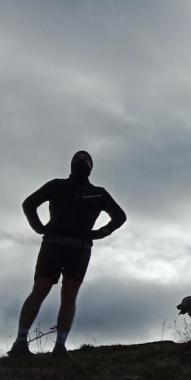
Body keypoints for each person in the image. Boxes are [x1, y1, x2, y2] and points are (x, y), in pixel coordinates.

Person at [9, 151, 126, 358]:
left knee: (65, 295)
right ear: (73, 165)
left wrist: (100, 233)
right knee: (43, 291)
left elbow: (120, 217)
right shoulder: (58, 186)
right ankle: (23, 343)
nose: (81, 163)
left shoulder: (97, 193)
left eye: (85, 161)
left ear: (90, 167)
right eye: (78, 160)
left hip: (75, 247)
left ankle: (57, 345)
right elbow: (29, 204)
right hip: (57, 245)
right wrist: (39, 228)